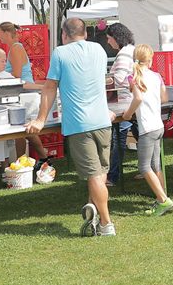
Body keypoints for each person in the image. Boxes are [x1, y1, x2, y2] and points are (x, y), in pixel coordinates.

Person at [27, 18, 116, 234]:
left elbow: (49, 88)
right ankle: (94, 210)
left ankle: (106, 223)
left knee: (95, 174)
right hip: (103, 121)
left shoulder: (60, 52)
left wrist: (40, 120)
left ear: (64, 35)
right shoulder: (99, 50)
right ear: (85, 33)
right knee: (101, 171)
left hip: (80, 123)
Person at [123, 44, 173, 215]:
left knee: (144, 167)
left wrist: (128, 114)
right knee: (155, 164)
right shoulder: (156, 75)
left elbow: (137, 98)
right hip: (158, 124)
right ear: (150, 59)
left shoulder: (134, 77)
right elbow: (164, 97)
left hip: (147, 127)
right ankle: (163, 197)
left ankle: (163, 200)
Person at [0, 23, 51, 169]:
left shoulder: (15, 49)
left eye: (0, 33)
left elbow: (17, 76)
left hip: (25, 95)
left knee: (24, 129)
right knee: (23, 130)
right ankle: (27, 161)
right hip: (24, 93)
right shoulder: (14, 48)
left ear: (7, 33)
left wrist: (1, 76)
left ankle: (37, 159)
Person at [104, 22, 136, 188]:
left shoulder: (123, 54)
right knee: (141, 137)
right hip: (133, 101)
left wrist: (104, 80)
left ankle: (113, 176)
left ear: (117, 38)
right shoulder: (132, 50)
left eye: (109, 38)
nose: (109, 42)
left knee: (118, 140)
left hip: (123, 103)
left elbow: (119, 79)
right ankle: (150, 169)